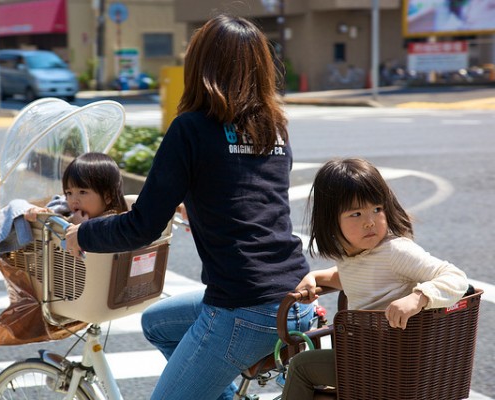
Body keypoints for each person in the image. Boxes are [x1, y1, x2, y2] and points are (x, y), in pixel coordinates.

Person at [65, 14, 315, 400]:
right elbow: (250, 196)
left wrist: (84, 233)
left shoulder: (192, 129)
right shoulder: (274, 128)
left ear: (200, 66)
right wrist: (197, 201)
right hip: (294, 299)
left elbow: (141, 227)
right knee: (158, 323)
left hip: (242, 307)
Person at [281, 158, 469, 400]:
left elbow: (456, 277)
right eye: (356, 213)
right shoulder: (355, 256)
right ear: (330, 221)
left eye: (377, 209)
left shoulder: (395, 252)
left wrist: (418, 297)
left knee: (301, 366)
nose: (370, 221)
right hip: (374, 357)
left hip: (388, 363)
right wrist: (314, 276)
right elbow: (352, 277)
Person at [24, 152, 128, 225]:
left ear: (107, 196)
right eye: (69, 193)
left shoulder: (112, 223)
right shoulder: (70, 214)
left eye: (82, 192)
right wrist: (40, 214)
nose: (74, 200)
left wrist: (81, 229)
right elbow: (53, 221)